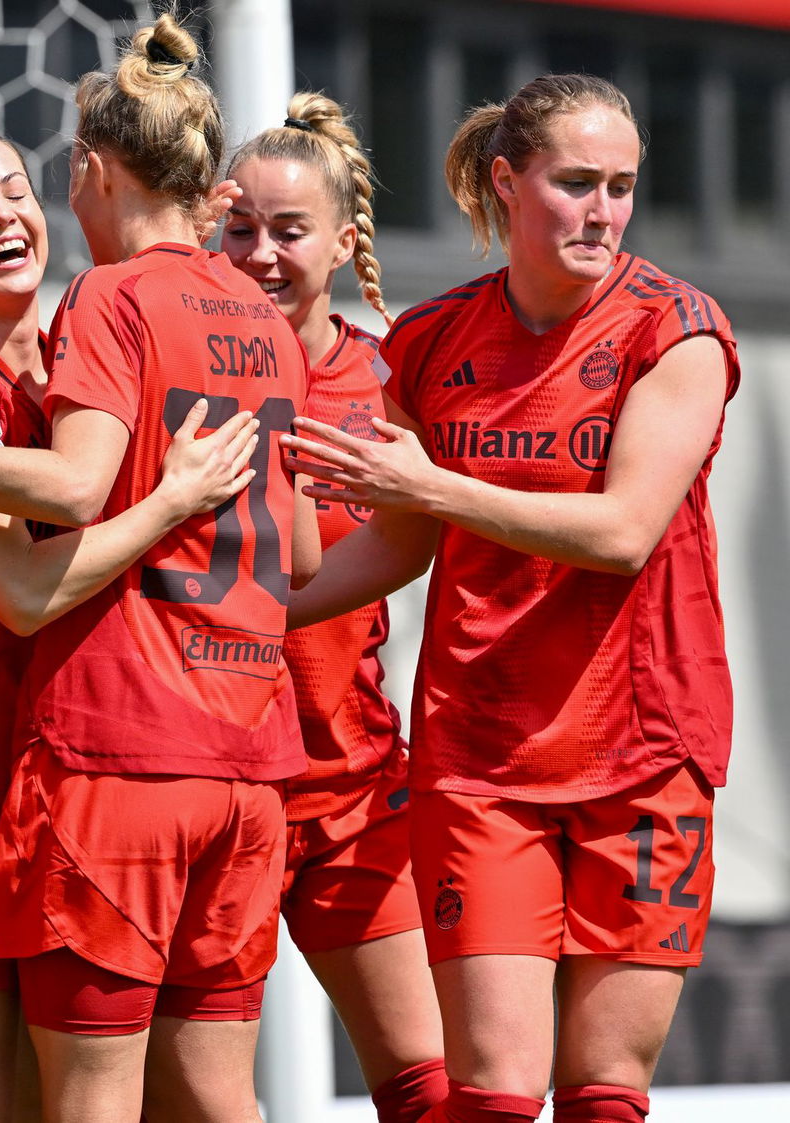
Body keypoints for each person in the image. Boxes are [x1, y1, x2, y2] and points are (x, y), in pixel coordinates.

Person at [0, 13, 317, 1121]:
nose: (10, 210)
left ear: (80, 175)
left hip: (116, 767)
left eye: (16, 186)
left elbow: (67, 513)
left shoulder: (90, 331)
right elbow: (23, 591)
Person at [281, 73, 738, 1123]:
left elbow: (622, 534)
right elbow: (400, 540)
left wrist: (432, 485)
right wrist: (253, 615)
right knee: (485, 1092)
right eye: (574, 182)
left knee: (601, 1095)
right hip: (479, 762)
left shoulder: (677, 331)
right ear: (506, 181)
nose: (602, 211)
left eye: (620, 186)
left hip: (644, 752)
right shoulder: (435, 341)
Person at [220, 94, 446, 1121]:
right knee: (190, 1097)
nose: (261, 254)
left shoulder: (391, 380)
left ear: (345, 241)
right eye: (239, 228)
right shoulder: (176, 358)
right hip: (212, 789)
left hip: (352, 787)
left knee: (433, 1086)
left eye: (288, 230)